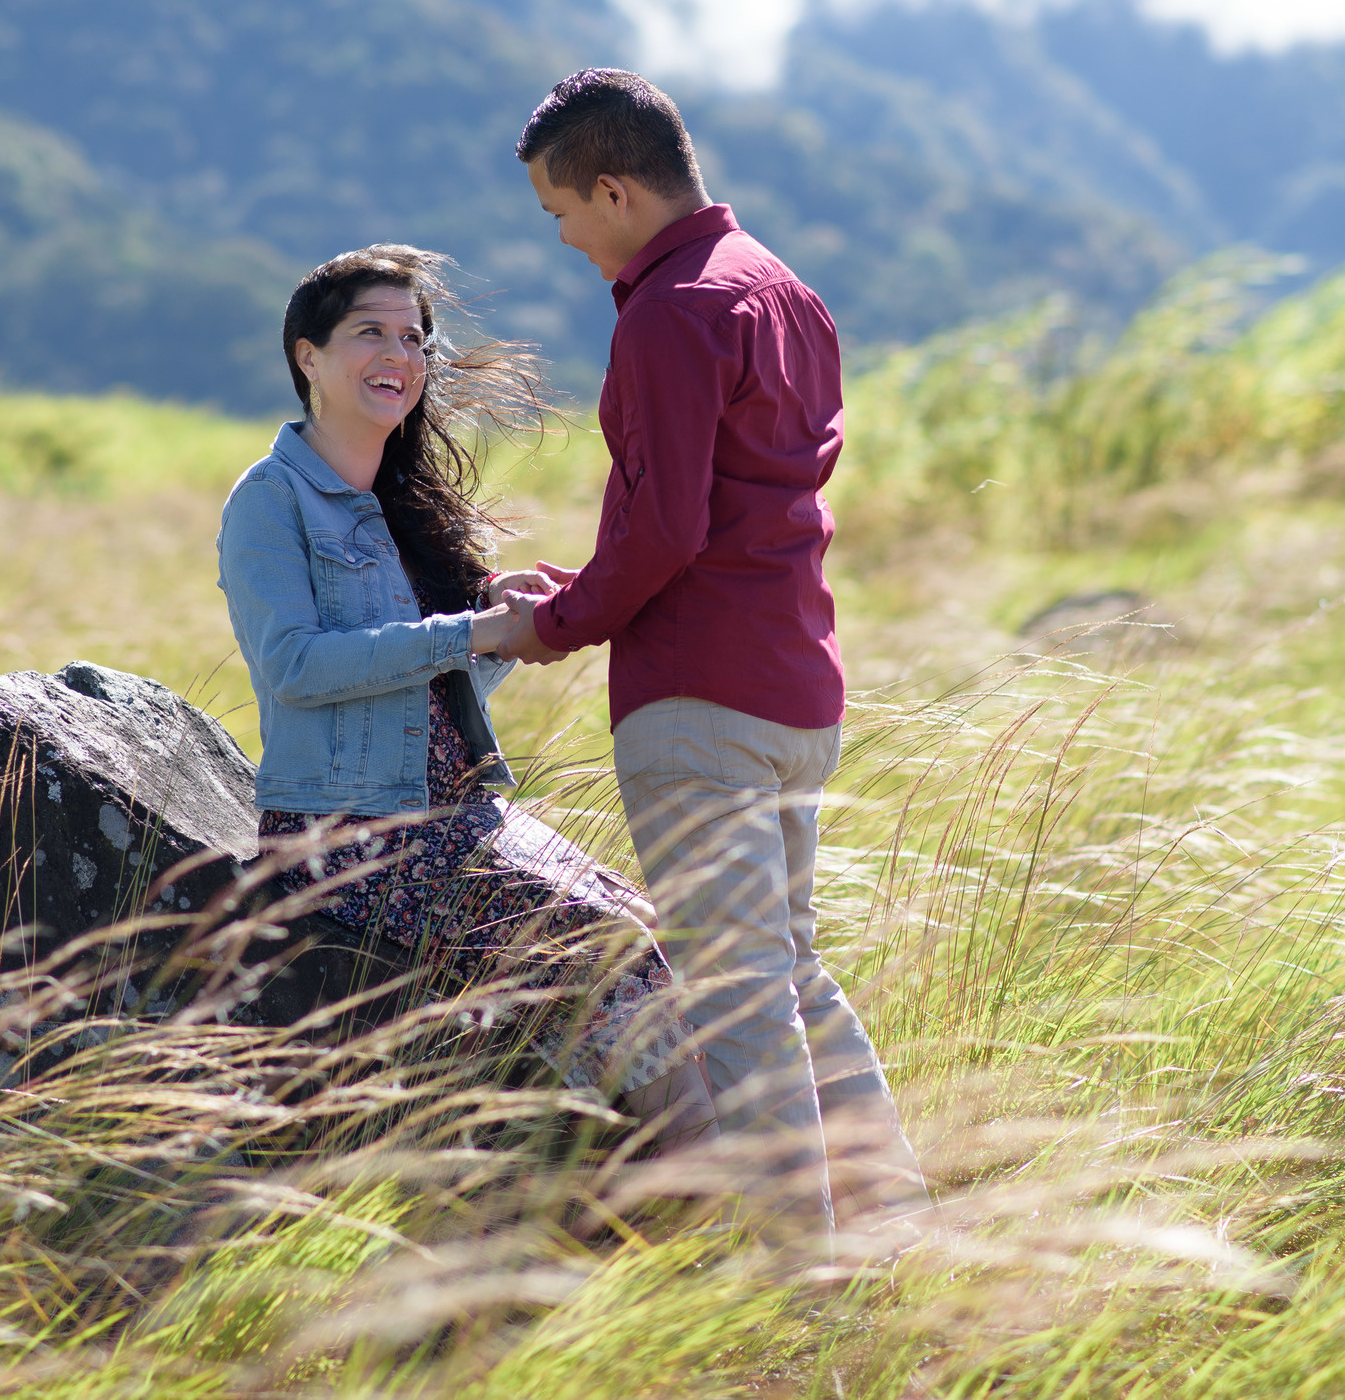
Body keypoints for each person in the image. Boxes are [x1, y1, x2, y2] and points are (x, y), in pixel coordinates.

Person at [497, 70, 926, 1241]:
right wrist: (584, 591)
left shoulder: (671, 311)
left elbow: (667, 529)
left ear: (614, 188)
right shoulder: (784, 289)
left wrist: (558, 621)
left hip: (697, 701)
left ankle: (807, 1283)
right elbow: (725, 511)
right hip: (796, 683)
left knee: (739, 996)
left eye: (562, 212)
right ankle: (893, 1225)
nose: (569, 240)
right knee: (791, 972)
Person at [214, 243, 715, 1149]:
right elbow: (295, 666)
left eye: (414, 338)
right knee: (603, 946)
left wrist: (505, 623)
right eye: (371, 333)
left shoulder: (403, 501)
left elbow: (426, 685)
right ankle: (711, 1197)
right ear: (307, 355)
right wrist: (466, 631)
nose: (399, 358)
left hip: (457, 817)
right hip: (356, 835)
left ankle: (692, 1192)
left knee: (644, 928)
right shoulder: (271, 498)